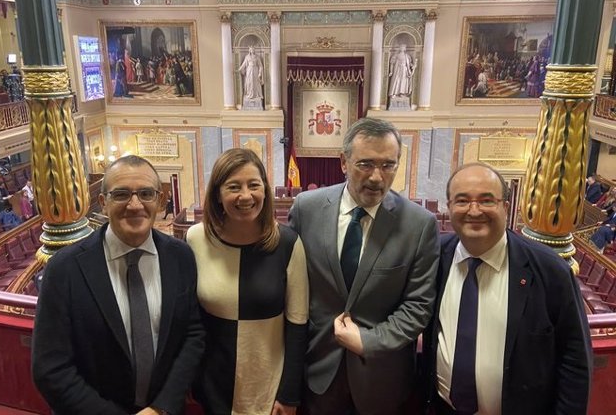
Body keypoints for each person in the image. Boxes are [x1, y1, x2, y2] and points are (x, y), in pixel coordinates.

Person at [32, 155, 205, 415]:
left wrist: (162, 407)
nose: (135, 205)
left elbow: (194, 334)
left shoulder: (180, 257)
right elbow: (50, 368)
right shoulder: (64, 269)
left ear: (159, 201)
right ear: (103, 203)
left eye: (146, 194)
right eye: (122, 194)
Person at [288, 117, 440, 414]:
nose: (376, 177)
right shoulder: (307, 208)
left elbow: (418, 306)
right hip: (317, 371)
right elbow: (290, 286)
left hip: (381, 377)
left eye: (388, 165)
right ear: (343, 162)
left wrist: (367, 341)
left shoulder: (419, 225)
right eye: (365, 164)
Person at [423, 162, 592, 414]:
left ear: (506, 207)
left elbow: (575, 360)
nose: (474, 210)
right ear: (449, 207)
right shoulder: (433, 257)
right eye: (462, 200)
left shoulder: (549, 270)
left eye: (486, 200)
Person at [186, 148, 308, 414]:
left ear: (264, 189)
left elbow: (298, 325)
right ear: (217, 193)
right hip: (213, 383)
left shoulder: (288, 243)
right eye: (233, 186)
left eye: (254, 185)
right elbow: (190, 320)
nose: (245, 196)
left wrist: (289, 395)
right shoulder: (195, 239)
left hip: (268, 385)